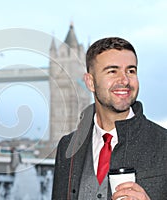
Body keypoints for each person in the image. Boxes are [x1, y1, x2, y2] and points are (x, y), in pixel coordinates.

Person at [52, 37, 167, 200]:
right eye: (113, 71)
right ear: (90, 82)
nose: (125, 80)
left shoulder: (164, 143)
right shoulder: (67, 147)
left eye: (131, 71)